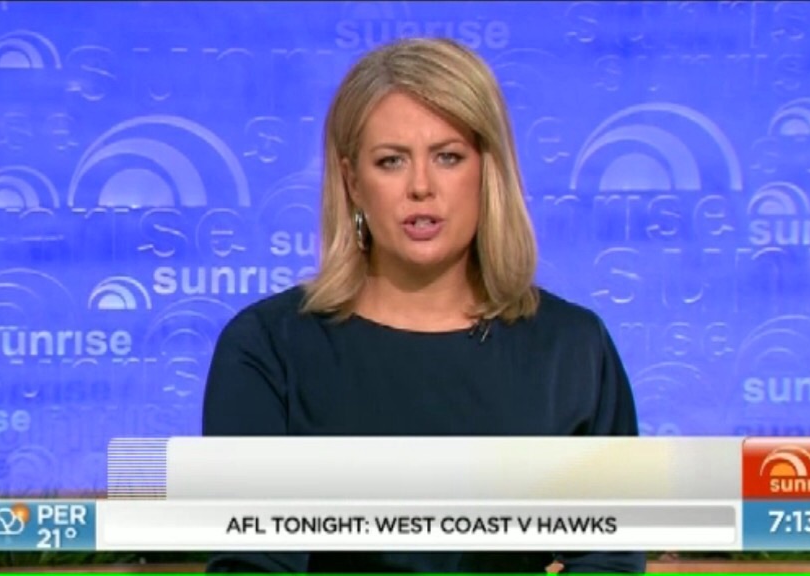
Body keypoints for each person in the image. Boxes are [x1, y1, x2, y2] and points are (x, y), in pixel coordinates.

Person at [202, 37, 646, 574]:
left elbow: (609, 557)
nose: (420, 187)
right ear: (353, 182)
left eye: (448, 157)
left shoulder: (570, 348)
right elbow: (250, 562)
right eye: (391, 161)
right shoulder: (268, 348)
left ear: (488, 170)